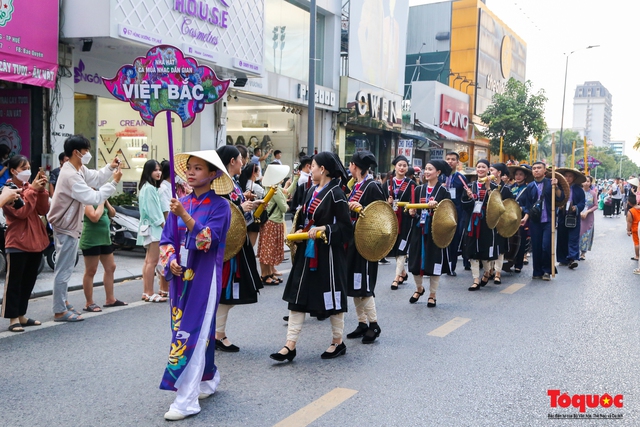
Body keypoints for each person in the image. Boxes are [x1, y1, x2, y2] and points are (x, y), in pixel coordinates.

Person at [158, 150, 233, 421]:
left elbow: (206, 241)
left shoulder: (220, 206)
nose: (191, 172)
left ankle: (186, 399)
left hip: (204, 278)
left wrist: (185, 216)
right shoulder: (180, 202)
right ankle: (207, 379)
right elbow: (166, 239)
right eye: (189, 168)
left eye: (198, 168)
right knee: (188, 328)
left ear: (213, 174)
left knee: (190, 333)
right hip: (180, 279)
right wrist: (170, 261)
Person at [270, 152, 353, 362]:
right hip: (308, 250)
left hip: (329, 254)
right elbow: (302, 218)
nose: (311, 169)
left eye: (313, 166)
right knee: (297, 296)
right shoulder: (309, 191)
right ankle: (290, 345)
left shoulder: (336, 194)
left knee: (331, 296)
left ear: (323, 169)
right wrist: (299, 232)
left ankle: (337, 341)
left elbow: (345, 228)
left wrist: (325, 228)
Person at [48, 135, 121, 321]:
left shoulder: (77, 169)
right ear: (76, 152)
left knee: (65, 268)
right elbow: (93, 197)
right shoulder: (71, 175)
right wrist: (113, 183)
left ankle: (63, 302)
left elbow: (95, 179)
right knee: (63, 270)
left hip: (69, 226)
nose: (88, 154)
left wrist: (110, 167)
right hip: (65, 227)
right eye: (86, 150)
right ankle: (59, 310)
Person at [215, 145, 263, 352]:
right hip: (228, 246)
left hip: (237, 243)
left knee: (232, 292)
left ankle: (217, 332)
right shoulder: (219, 183)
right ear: (232, 161)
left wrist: (248, 203)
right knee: (227, 292)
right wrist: (241, 208)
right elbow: (220, 211)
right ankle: (218, 334)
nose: (243, 162)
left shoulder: (231, 182)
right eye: (240, 158)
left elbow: (234, 208)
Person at [1, 156, 49, 332]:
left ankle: (22, 314)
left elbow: (43, 210)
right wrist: (32, 191)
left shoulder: (30, 188)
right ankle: (13, 318)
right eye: (24, 168)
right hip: (17, 242)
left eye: (29, 167)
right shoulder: (7, 190)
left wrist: (41, 191)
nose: (28, 171)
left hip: (35, 240)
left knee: (29, 280)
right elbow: (21, 212)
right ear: (13, 171)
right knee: (15, 281)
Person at [345, 151, 385, 343]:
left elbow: (380, 215)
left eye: (351, 164)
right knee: (354, 282)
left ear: (355, 166)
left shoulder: (373, 186)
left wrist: (359, 209)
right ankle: (362, 323)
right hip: (353, 241)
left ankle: (374, 325)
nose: (349, 168)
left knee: (364, 284)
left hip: (367, 243)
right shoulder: (357, 185)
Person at [407, 160, 452, 307]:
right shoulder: (419, 189)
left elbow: (448, 212)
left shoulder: (443, 191)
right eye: (425, 169)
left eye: (430, 169)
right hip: (418, 230)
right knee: (414, 261)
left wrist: (437, 208)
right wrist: (411, 212)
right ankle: (419, 288)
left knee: (434, 261)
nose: (426, 172)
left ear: (438, 172)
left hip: (435, 232)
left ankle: (432, 294)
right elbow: (411, 210)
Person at [80, 199, 128, 312]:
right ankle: (89, 303)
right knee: (91, 270)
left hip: (105, 239)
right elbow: (94, 217)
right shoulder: (87, 198)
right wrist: (101, 202)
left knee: (111, 267)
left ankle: (110, 299)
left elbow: (113, 213)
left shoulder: (100, 197)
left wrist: (105, 201)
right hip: (91, 240)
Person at [461, 159, 501, 291]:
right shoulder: (470, 186)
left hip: (487, 222)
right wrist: (468, 198)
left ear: (488, 169)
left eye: (483, 167)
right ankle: (475, 279)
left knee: (485, 249)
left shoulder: (494, 186)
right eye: (478, 167)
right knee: (472, 250)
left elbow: (496, 205)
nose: (481, 169)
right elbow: (464, 205)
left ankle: (487, 271)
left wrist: (489, 188)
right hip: (472, 221)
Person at [520, 162, 564, 281]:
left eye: (539, 168)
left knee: (546, 246)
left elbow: (560, 198)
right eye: (534, 168)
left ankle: (547, 271)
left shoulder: (551, 183)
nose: (536, 170)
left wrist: (557, 187)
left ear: (545, 171)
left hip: (548, 220)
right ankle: (537, 271)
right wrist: (525, 218)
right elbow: (528, 205)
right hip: (535, 221)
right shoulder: (529, 187)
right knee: (536, 247)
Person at [383, 155, 416, 290]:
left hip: (406, 220)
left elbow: (414, 201)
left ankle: (396, 278)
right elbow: (381, 201)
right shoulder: (387, 183)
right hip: (392, 219)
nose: (402, 168)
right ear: (395, 166)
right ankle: (402, 272)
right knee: (395, 246)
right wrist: (387, 202)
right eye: (400, 165)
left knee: (402, 247)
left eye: (404, 165)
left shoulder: (411, 184)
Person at [137, 160, 167, 302]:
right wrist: (163, 225)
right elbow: (155, 212)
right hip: (154, 229)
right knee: (152, 262)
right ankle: (149, 292)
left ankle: (146, 292)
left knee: (148, 261)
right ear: (148, 171)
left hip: (148, 228)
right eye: (155, 170)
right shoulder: (149, 189)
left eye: (159, 170)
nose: (158, 172)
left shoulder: (146, 187)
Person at [257, 166, 289, 285]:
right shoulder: (274, 189)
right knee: (269, 250)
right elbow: (284, 207)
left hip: (270, 221)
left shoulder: (270, 187)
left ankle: (269, 273)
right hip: (273, 222)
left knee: (267, 249)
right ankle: (265, 275)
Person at [488, 163, 514, 284]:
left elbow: (510, 205)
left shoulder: (507, 189)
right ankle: (490, 270)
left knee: (500, 247)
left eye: (492, 170)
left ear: (499, 173)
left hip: (502, 220)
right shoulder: (488, 186)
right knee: (490, 245)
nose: (489, 172)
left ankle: (498, 272)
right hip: (490, 220)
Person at [444, 152, 468, 276]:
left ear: (457, 162)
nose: (450, 161)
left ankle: (451, 267)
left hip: (457, 214)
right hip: (442, 213)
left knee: (454, 240)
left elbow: (466, 197)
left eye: (453, 159)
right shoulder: (440, 176)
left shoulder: (461, 178)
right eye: (448, 159)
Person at [504, 164, 532, 273]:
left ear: (525, 176)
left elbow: (530, 204)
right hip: (510, 218)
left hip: (522, 217)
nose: (518, 176)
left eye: (521, 174)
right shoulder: (511, 187)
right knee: (510, 240)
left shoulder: (528, 188)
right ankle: (509, 260)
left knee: (521, 240)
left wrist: (523, 209)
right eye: (516, 174)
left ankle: (518, 264)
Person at [556, 168, 586, 270]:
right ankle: (562, 259)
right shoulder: (558, 188)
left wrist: (576, 208)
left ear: (574, 178)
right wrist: (558, 207)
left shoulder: (579, 190)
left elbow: (582, 202)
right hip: (562, 216)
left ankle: (572, 258)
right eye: (566, 176)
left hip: (573, 217)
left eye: (570, 176)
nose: (568, 178)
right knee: (562, 238)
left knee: (573, 238)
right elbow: (554, 200)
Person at [238, 162, 265, 247]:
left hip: (244, 217)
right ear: (254, 173)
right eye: (259, 171)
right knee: (250, 247)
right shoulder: (255, 186)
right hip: (252, 218)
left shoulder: (242, 183)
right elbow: (266, 195)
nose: (260, 173)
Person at [579, 176, 598, 261]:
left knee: (586, 233)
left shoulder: (593, 193)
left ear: (590, 183)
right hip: (578, 215)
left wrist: (587, 212)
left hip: (588, 216)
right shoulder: (578, 192)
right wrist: (579, 212)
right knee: (577, 233)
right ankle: (575, 251)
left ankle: (583, 252)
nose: (586, 183)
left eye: (588, 181)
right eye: (584, 181)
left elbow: (596, 205)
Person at [626, 195, 640, 269]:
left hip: (635, 228)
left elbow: (629, 222)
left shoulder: (631, 211)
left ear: (629, 203)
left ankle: (637, 256)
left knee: (637, 242)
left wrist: (628, 230)